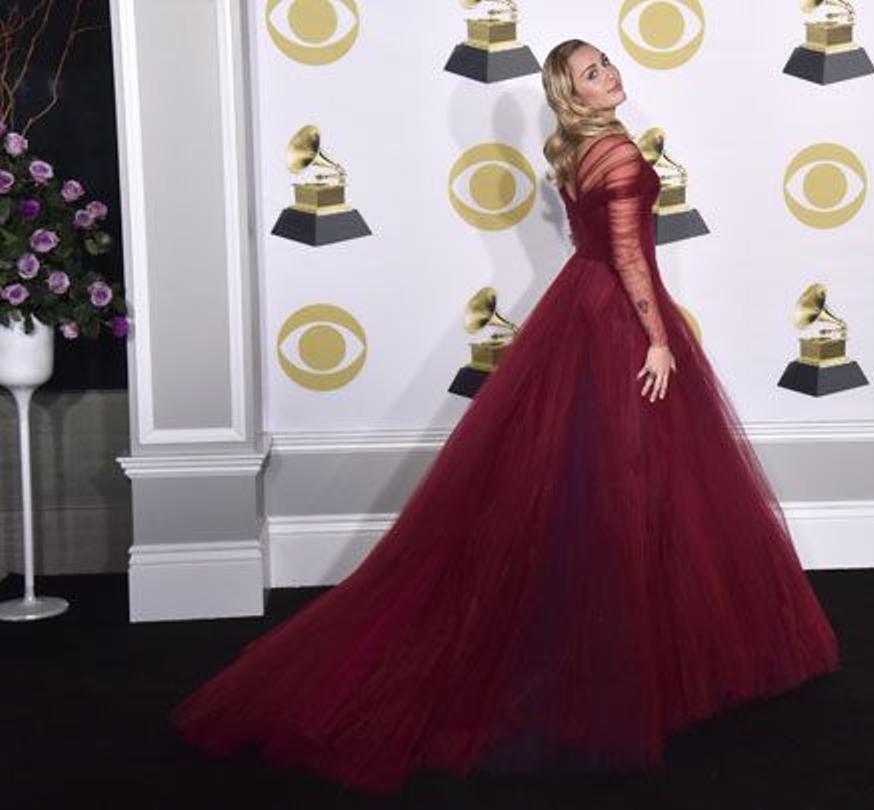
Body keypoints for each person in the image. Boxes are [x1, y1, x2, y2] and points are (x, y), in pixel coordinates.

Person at [171, 38, 839, 796]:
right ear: (572, 96)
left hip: (580, 310)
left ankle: (623, 646)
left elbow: (605, 249)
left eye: (608, 64)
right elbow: (627, 258)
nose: (610, 76)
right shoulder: (616, 155)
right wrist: (657, 337)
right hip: (617, 318)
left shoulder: (582, 153)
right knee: (626, 482)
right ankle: (615, 661)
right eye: (592, 74)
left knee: (600, 483)